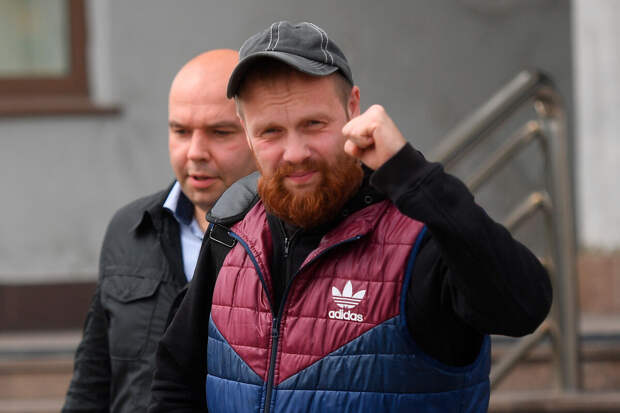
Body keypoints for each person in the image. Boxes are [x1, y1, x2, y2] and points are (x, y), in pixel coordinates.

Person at [149, 22, 552, 413]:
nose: (295, 152)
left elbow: (523, 308)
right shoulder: (232, 231)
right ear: (247, 131)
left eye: (313, 124)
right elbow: (176, 384)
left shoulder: (422, 232)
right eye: (271, 131)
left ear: (353, 107)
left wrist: (412, 175)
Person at [62, 49, 256, 413]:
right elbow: (92, 381)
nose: (195, 152)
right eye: (181, 131)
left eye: (220, 132)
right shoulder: (130, 229)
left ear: (259, 134)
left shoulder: (283, 241)